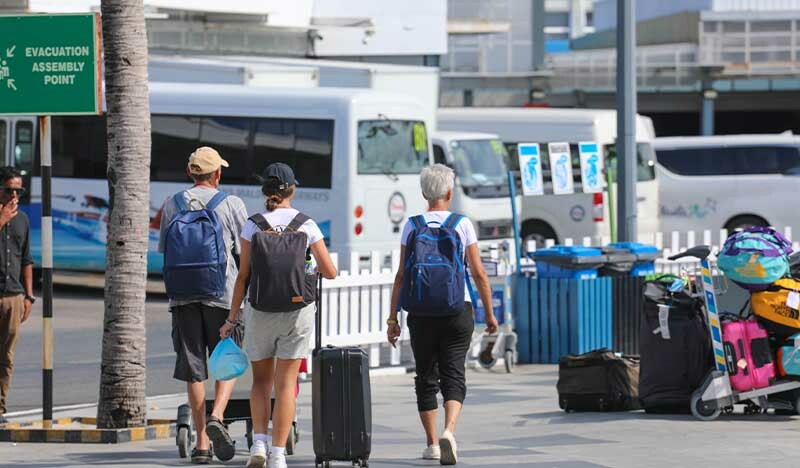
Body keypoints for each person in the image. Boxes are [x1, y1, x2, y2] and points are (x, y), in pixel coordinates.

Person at [221, 162, 337, 468]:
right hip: (297, 312)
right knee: (285, 385)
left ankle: (258, 444)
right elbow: (330, 272)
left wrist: (232, 319)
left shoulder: (253, 225)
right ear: (292, 190)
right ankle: (278, 454)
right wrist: (309, 267)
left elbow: (243, 276)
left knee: (260, 382)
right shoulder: (306, 224)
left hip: (260, 310)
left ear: (266, 191)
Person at [388, 163, 498, 466]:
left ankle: (432, 444)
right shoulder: (462, 224)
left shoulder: (412, 225)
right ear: (449, 192)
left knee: (425, 376)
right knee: (453, 373)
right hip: (457, 309)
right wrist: (489, 314)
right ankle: (449, 430)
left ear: (424, 194)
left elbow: (401, 276)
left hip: (420, 311)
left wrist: (392, 318)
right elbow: (479, 273)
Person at [158, 147, 248, 464]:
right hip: (222, 295)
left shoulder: (172, 203)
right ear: (217, 174)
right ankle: (217, 415)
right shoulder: (231, 204)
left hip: (182, 295)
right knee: (228, 359)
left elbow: (164, 248)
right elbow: (245, 251)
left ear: (190, 173)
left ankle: (201, 444)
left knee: (194, 369)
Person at [0, 167, 34, 425]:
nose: (14, 195)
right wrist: (1, 219)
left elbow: (26, 259)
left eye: (18, 191)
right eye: (8, 190)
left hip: (14, 296)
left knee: (6, 357)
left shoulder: (22, 219)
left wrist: (29, 296)